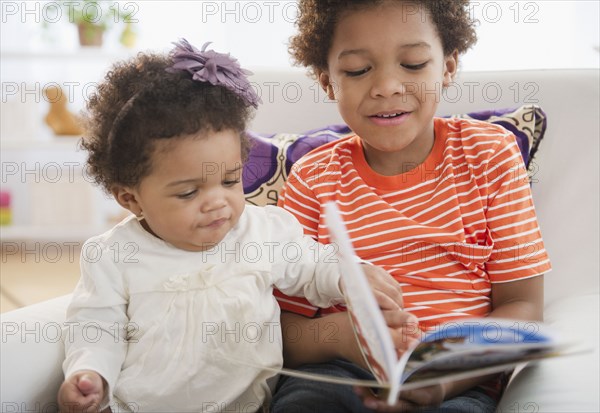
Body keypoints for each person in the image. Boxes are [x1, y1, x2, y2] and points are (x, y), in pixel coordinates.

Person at [56, 39, 404, 413]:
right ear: (131, 199)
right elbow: (95, 326)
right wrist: (89, 373)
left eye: (229, 181)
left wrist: (350, 279)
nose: (217, 202)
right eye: (188, 193)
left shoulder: (261, 233)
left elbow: (312, 265)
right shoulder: (113, 254)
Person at [271, 1, 551, 412]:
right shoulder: (313, 178)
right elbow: (279, 328)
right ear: (327, 81)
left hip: (458, 378)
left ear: (448, 68)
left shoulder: (489, 155)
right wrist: (346, 337)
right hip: (342, 370)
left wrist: (440, 376)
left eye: (414, 64)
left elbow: (524, 307)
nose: (387, 85)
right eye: (358, 70)